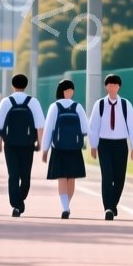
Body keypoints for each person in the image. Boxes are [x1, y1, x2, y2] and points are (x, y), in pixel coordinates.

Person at [87, 74, 133, 220]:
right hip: (104, 144)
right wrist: (93, 145)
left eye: (115, 84)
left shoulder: (125, 104)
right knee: (107, 176)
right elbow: (93, 126)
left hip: (121, 144)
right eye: (109, 84)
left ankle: (113, 203)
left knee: (119, 178)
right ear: (106, 87)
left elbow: (132, 125)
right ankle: (108, 208)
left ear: (119, 87)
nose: (112, 87)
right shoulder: (100, 105)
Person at [0, 74, 44, 217]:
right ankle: (19, 202)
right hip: (28, 145)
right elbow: (40, 125)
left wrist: (0, 140)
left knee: (13, 175)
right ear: (26, 85)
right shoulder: (33, 102)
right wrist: (40, 144)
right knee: (26, 176)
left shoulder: (6, 102)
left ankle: (16, 203)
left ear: (13, 85)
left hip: (10, 144)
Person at [40, 79, 87, 219]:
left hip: (58, 148)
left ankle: (65, 206)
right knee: (71, 178)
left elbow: (49, 129)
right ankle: (66, 206)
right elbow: (85, 129)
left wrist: (44, 150)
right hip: (74, 147)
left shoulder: (54, 107)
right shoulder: (78, 107)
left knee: (61, 178)